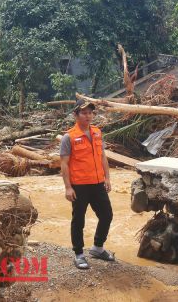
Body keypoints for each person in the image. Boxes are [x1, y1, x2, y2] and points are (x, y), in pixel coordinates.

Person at [60, 99, 115, 269]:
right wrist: (68, 187)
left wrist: (107, 178)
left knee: (107, 215)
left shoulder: (97, 132)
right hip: (79, 186)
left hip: (98, 183)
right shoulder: (69, 137)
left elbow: (102, 157)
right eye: (84, 113)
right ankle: (79, 254)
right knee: (79, 221)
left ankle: (97, 248)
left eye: (90, 112)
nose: (88, 116)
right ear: (75, 115)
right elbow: (64, 164)